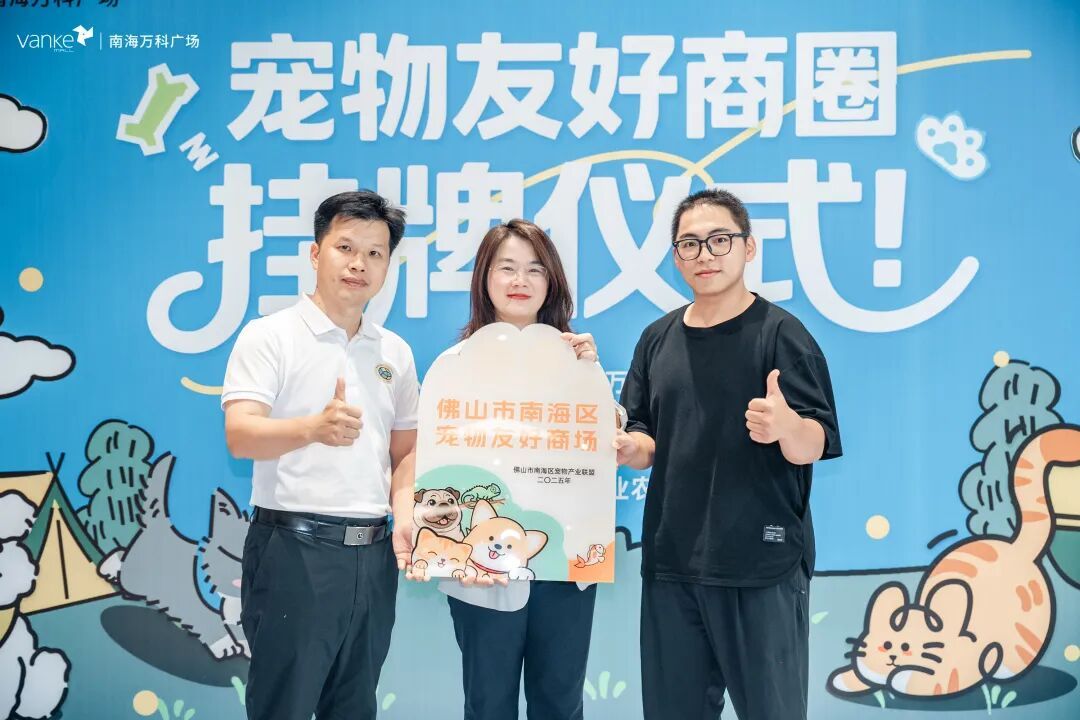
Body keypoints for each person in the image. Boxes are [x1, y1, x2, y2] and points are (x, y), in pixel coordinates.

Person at [615, 189, 842, 720]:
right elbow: (646, 438)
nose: (705, 254)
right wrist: (628, 446)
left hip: (760, 565)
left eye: (720, 240)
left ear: (748, 247)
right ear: (676, 257)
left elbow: (817, 441)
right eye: (690, 244)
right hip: (673, 566)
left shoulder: (782, 334)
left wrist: (787, 426)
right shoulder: (656, 339)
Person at [222, 190, 419, 720]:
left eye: (375, 253)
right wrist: (312, 428)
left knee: (355, 706)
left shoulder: (395, 352)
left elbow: (405, 450)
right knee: (283, 706)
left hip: (374, 557)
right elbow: (240, 435)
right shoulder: (271, 336)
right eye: (345, 248)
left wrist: (404, 515)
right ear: (315, 253)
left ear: (388, 266)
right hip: (294, 550)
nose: (359, 264)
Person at [411, 219, 605, 720]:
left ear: (552, 281)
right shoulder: (454, 365)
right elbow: (435, 461)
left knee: (560, 703)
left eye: (535, 269)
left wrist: (591, 380)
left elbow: (603, 444)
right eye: (507, 268)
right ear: (485, 278)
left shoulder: (578, 361)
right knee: (488, 704)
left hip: (565, 568)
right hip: (482, 572)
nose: (521, 280)